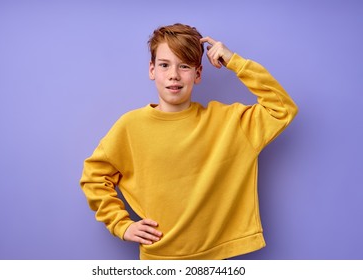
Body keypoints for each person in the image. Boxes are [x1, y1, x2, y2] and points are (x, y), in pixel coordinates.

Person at [80, 23, 298, 260]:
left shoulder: (230, 122)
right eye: (165, 65)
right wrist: (121, 225)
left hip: (217, 259)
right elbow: (94, 176)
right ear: (152, 70)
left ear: (198, 74)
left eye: (184, 66)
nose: (174, 74)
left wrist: (235, 61)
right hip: (160, 257)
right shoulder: (130, 127)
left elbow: (282, 109)